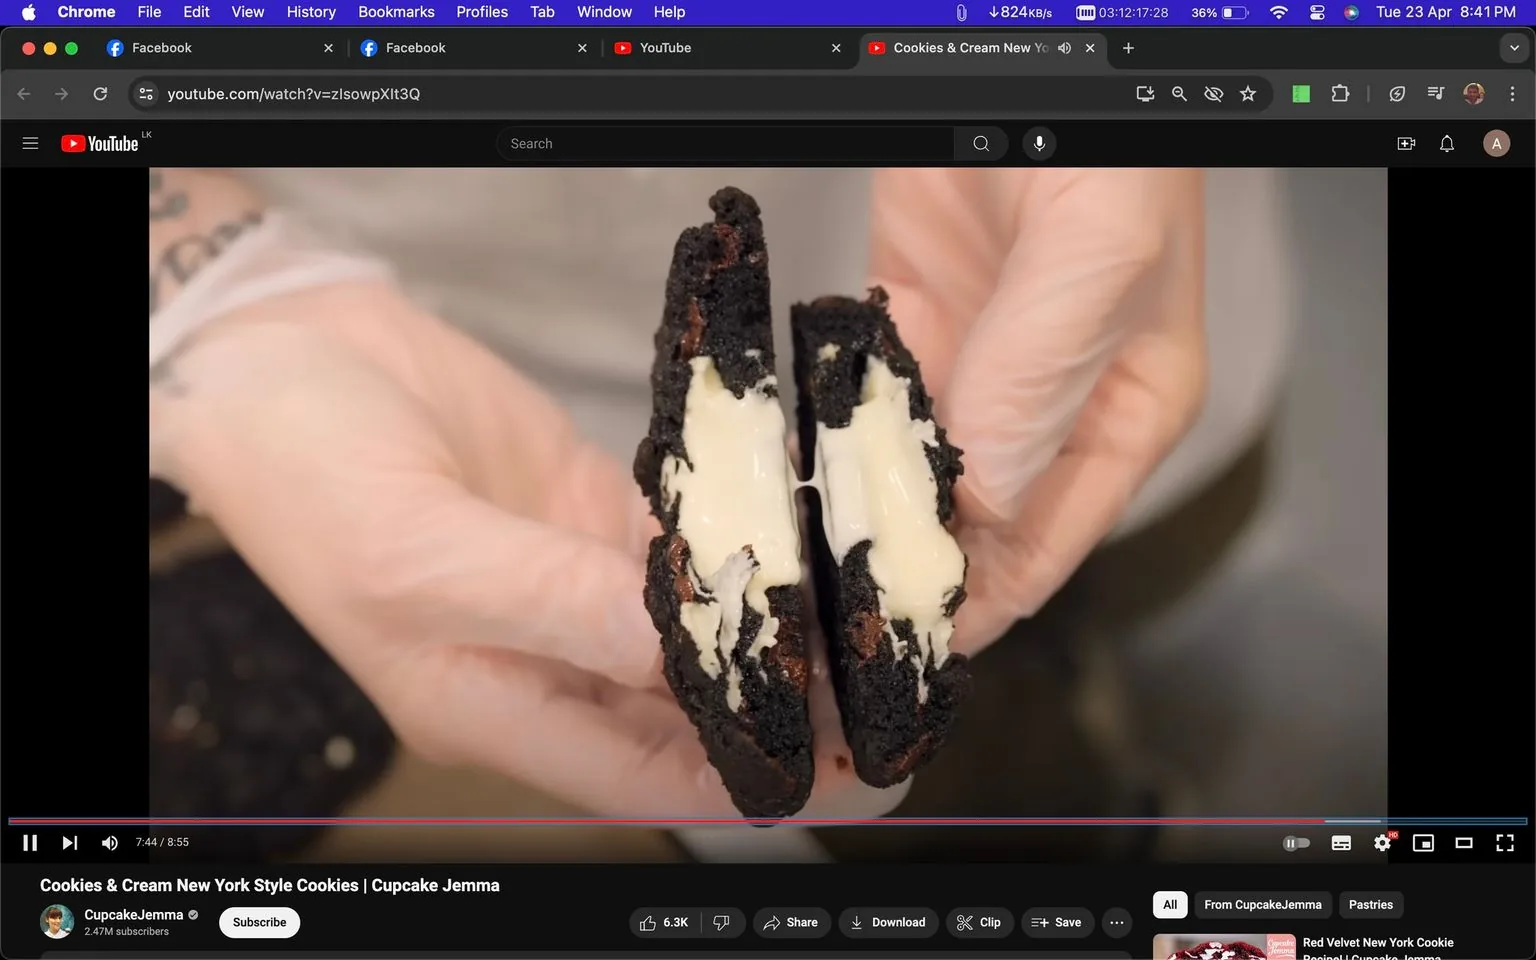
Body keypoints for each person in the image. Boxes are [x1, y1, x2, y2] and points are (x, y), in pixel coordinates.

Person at [148, 168, 1288, 822]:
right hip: (472, 395)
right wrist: (225, 293)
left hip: (1097, 313)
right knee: (977, 798)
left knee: (1133, 568)